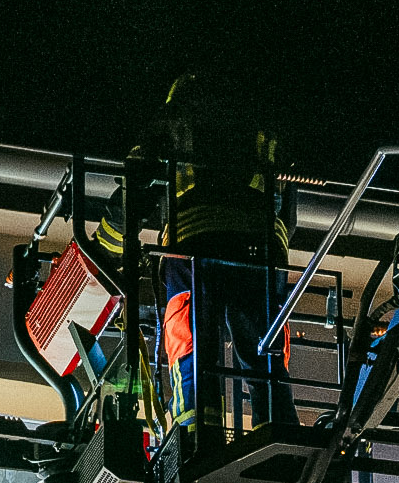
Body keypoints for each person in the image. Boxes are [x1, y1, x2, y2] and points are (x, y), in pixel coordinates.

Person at [90, 74, 297, 444]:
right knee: (264, 352)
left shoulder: (173, 120)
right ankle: (278, 438)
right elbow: (288, 210)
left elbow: (135, 193)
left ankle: (196, 438)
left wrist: (101, 253)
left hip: (194, 245)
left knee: (191, 346)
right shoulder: (266, 123)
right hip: (261, 254)